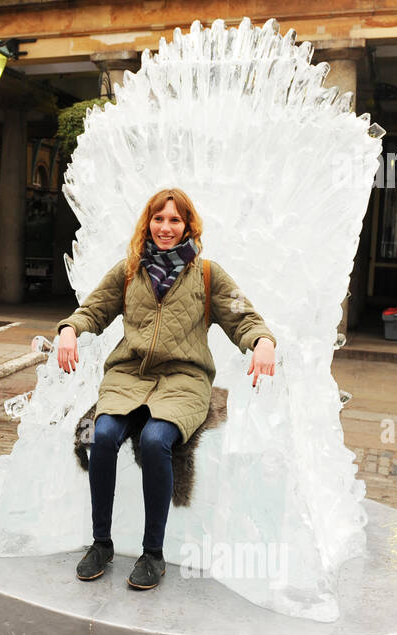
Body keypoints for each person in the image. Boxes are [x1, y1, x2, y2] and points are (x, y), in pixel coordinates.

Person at [55, 188, 276, 590]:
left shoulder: (208, 274)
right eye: (159, 219)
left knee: (157, 440)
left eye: (175, 220)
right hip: (129, 375)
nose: (166, 228)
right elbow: (93, 311)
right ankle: (101, 543)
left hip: (183, 380)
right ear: (148, 223)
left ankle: (152, 553)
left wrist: (262, 341)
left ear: (188, 226)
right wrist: (70, 329)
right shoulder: (128, 271)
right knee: (102, 436)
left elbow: (244, 318)